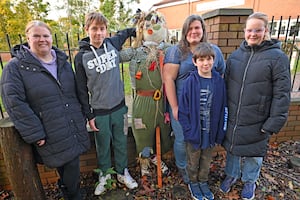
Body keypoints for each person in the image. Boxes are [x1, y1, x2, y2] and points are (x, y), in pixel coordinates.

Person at [0, 20, 90, 200]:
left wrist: (83, 116)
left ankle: (70, 192)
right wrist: (35, 133)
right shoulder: (15, 68)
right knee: (68, 166)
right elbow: (14, 103)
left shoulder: (62, 62)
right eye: (36, 36)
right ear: (28, 38)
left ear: (51, 38)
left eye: (45, 35)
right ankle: (72, 194)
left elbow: (74, 92)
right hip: (48, 130)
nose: (42, 40)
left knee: (71, 167)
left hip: (70, 124)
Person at [220, 12, 291, 200]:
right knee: (233, 147)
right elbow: (226, 85)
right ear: (245, 31)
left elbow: (282, 94)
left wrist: (274, 121)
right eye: (250, 30)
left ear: (265, 31)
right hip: (235, 114)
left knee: (254, 152)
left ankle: (250, 180)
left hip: (259, 117)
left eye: (257, 30)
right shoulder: (236, 56)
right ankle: (232, 174)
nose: (253, 34)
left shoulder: (277, 58)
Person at [74, 11, 138, 195]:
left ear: (106, 31)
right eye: (94, 29)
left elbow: (125, 32)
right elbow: (80, 89)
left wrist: (140, 30)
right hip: (99, 111)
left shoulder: (112, 44)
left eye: (102, 29)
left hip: (119, 107)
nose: (99, 33)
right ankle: (104, 175)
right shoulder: (81, 57)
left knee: (120, 143)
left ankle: (122, 172)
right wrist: (89, 115)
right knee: (102, 146)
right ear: (87, 29)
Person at [163, 14, 226, 184]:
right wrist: (174, 107)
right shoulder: (176, 52)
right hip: (183, 106)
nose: (193, 31)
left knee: (202, 136)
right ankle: (183, 167)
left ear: (203, 30)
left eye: (197, 28)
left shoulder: (214, 51)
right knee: (183, 138)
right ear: (184, 32)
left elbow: (220, 73)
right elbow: (168, 79)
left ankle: (199, 169)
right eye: (190, 29)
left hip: (207, 105)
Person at [120, 10, 172, 177]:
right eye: (147, 25)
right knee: (142, 132)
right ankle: (144, 161)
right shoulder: (135, 52)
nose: (151, 29)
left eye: (156, 25)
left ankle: (157, 157)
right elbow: (115, 55)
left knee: (164, 130)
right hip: (141, 101)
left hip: (162, 100)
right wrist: (129, 31)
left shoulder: (169, 50)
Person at [178, 42, 227, 200]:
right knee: (193, 160)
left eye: (209, 59)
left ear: (214, 60)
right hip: (194, 132)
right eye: (201, 60)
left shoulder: (219, 81)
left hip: (210, 133)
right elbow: (183, 110)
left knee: (206, 160)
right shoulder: (190, 82)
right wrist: (188, 131)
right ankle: (193, 182)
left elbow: (223, 108)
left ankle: (203, 181)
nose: (206, 63)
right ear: (195, 62)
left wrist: (221, 131)